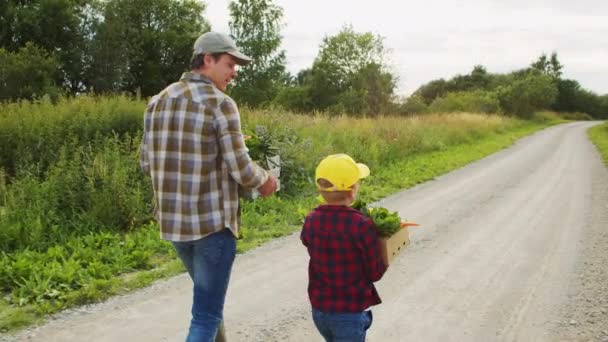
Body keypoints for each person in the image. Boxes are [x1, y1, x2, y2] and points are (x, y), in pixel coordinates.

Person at [140, 31, 278, 342]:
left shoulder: (157, 101)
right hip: (212, 228)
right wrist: (266, 180)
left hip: (174, 228)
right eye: (230, 64)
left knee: (209, 303)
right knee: (205, 315)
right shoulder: (221, 104)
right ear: (207, 60)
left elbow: (146, 163)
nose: (234, 73)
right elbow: (242, 169)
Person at [300, 153, 388, 342]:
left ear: (321, 189)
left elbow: (306, 241)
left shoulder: (311, 219)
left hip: (320, 311)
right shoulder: (361, 224)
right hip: (349, 313)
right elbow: (375, 273)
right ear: (352, 191)